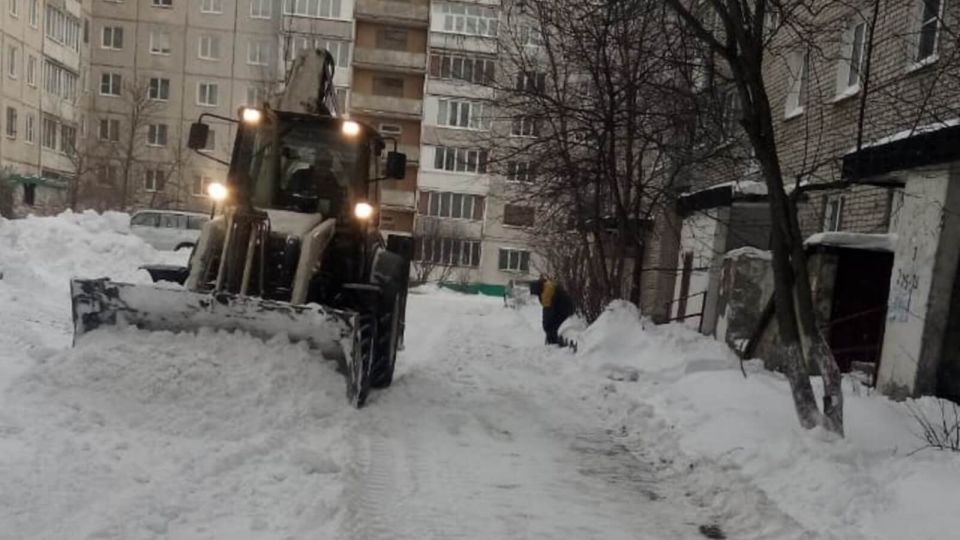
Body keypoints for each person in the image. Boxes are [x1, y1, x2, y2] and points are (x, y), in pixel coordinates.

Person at [529, 276, 574, 345]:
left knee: (551, 326)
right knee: (551, 325)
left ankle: (554, 343)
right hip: (562, 307)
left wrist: (546, 325)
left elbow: (547, 311)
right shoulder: (545, 285)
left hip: (564, 309)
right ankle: (554, 341)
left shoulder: (546, 292)